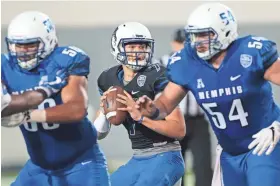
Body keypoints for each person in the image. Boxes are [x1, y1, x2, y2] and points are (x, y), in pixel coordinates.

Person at [132, 3, 280, 186]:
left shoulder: (250, 53)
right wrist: (151, 109)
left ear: (225, 31)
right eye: (195, 35)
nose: (198, 42)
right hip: (230, 153)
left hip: (264, 144)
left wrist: (278, 126)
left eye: (204, 35)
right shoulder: (187, 63)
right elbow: (165, 104)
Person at [2, 11, 110, 186]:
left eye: (30, 45)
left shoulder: (65, 60)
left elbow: (76, 110)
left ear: (49, 40)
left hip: (80, 163)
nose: (22, 52)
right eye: (17, 46)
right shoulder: (5, 66)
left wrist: (27, 115)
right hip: (38, 167)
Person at [95, 22, 185, 186]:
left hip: (166, 156)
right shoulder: (108, 79)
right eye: (132, 46)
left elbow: (178, 129)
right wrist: (104, 112)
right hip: (138, 157)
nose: (138, 51)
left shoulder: (158, 76)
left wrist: (141, 117)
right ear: (117, 48)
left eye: (142, 46)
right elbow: (98, 134)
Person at [158, 28, 212, 186]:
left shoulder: (202, 61)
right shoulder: (163, 62)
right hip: (173, 120)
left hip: (198, 121)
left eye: (186, 43)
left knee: (203, 167)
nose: (183, 47)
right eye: (180, 43)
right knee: (174, 167)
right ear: (173, 43)